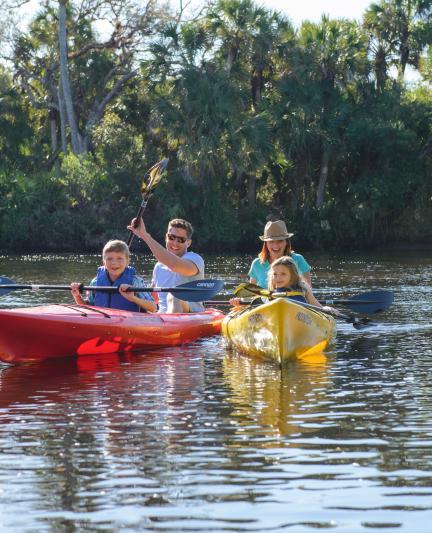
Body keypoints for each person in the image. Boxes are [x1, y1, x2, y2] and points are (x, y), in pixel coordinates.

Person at [127, 217, 204, 313]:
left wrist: (144, 235)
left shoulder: (195, 259)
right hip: (162, 317)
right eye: (171, 237)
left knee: (174, 294)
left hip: (190, 314)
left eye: (181, 240)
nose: (175, 243)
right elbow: (153, 299)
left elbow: (174, 265)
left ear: (188, 243)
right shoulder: (158, 267)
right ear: (166, 237)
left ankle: (172, 325)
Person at [70, 239, 157, 313]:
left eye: (119, 258)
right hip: (103, 324)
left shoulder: (135, 281)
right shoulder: (96, 282)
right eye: (109, 259)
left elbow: (153, 308)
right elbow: (88, 308)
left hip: (128, 326)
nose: (114, 263)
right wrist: (77, 296)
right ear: (104, 262)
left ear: (127, 261)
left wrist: (133, 298)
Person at [248, 220, 312, 288]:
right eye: (271, 241)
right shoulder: (256, 264)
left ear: (286, 242)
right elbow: (251, 293)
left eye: (280, 241)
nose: (275, 245)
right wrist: (240, 299)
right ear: (266, 243)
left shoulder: (298, 260)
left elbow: (308, 291)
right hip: (264, 299)